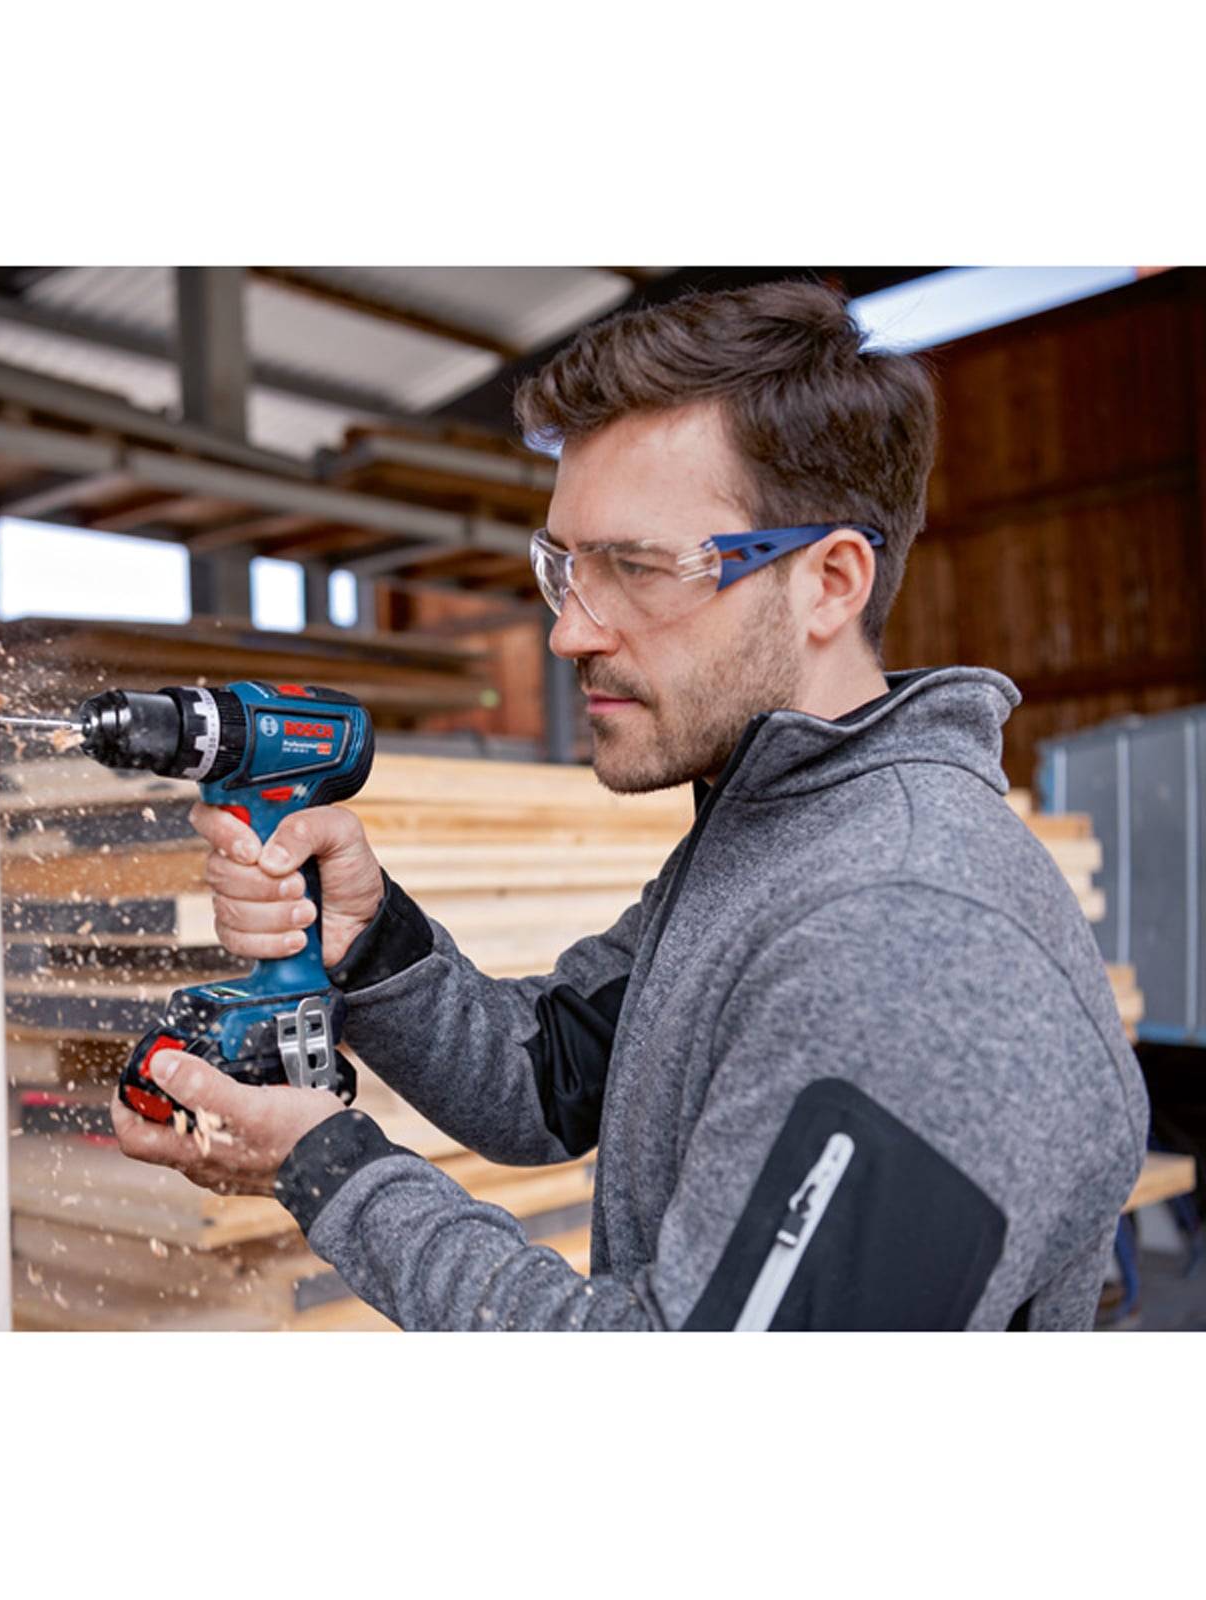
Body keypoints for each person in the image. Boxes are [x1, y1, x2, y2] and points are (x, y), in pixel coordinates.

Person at [109, 280, 1148, 1331]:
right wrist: (370, 940)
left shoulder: (906, 937)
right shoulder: (778, 832)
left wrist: (325, 1167)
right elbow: (551, 1078)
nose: (570, 631)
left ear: (830, 581)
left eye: (638, 568)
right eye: (565, 567)